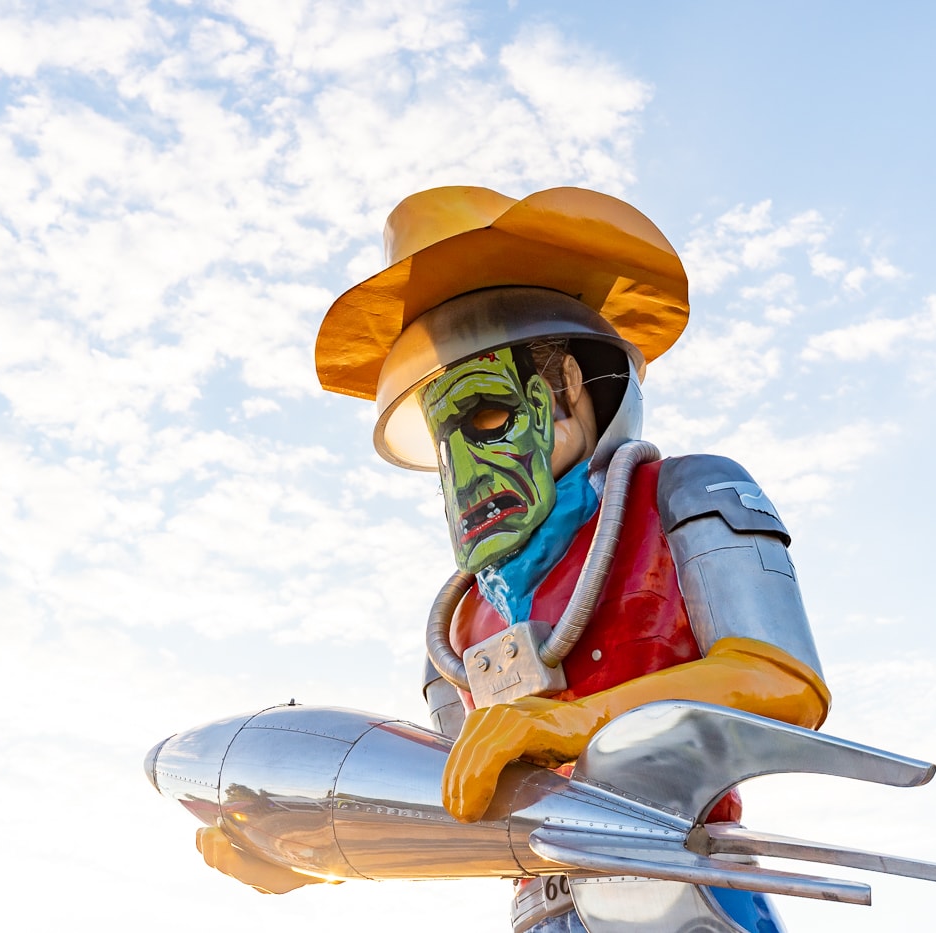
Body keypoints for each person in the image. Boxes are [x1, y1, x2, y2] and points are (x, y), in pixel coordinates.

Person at [198, 186, 831, 933]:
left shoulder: (685, 493)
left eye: (486, 414)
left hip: (686, 899)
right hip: (536, 912)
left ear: (564, 391)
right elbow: (451, 800)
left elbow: (783, 682)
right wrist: (312, 846)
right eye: (444, 444)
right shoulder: (457, 621)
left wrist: (576, 724)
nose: (463, 472)